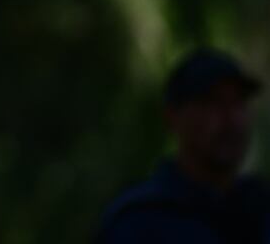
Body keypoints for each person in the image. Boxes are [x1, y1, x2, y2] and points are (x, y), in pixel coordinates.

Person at [98, 48, 268, 243]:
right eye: (211, 102)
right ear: (173, 117)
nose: (231, 119)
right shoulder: (139, 222)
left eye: (238, 103)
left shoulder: (259, 209)